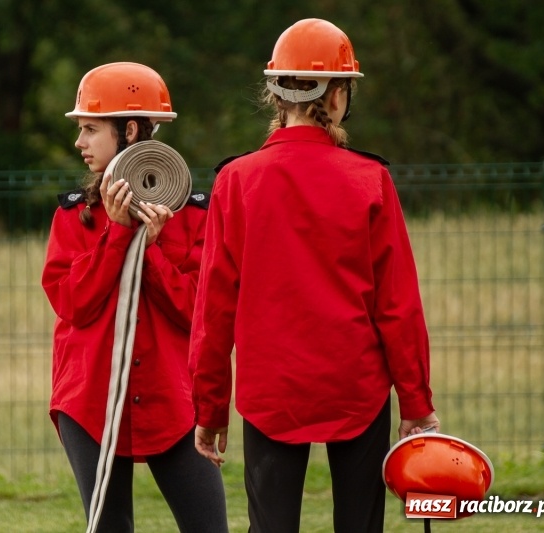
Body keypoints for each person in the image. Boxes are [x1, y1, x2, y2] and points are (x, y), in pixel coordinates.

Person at [189, 19, 439, 533]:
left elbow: (213, 309)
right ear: (340, 94)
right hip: (356, 386)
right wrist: (415, 400)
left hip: (271, 390)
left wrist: (210, 407)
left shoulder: (236, 181)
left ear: (275, 94)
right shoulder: (371, 179)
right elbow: (398, 305)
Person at [42, 62, 229, 533]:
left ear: (128, 129)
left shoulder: (194, 215)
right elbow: (74, 303)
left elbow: (196, 309)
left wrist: (151, 250)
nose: (79, 142)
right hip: (90, 403)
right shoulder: (74, 217)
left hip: (174, 402)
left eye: (89, 129)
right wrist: (119, 234)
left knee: (209, 526)